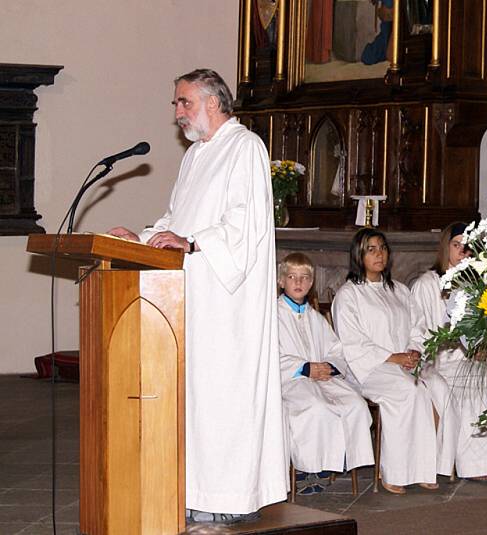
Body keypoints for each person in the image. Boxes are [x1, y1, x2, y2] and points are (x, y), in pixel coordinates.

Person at [108, 69, 287, 522]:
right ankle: (194, 491)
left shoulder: (245, 147)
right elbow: (176, 218)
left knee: (222, 396)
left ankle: (227, 499)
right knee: (194, 399)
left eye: (183, 102)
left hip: (226, 305)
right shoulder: (195, 157)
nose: (177, 112)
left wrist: (193, 244)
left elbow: (245, 224)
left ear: (212, 102)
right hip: (192, 296)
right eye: (176, 103)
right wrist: (143, 237)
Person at [331, 228, 455, 494]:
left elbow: (418, 328)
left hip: (406, 362)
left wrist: (414, 352)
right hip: (368, 368)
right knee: (409, 391)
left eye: (383, 248)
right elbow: (353, 342)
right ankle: (395, 472)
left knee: (439, 389)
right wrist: (393, 358)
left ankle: (426, 466)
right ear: (359, 255)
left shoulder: (399, 290)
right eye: (371, 249)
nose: (379, 254)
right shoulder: (349, 295)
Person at [276, 253, 374, 493]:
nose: (298, 282)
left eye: (304, 278)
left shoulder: (315, 317)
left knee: (355, 404)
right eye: (292, 277)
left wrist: (329, 366)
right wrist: (304, 367)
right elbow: (268, 356)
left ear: (311, 283)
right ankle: (307, 469)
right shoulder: (272, 315)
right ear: (281, 281)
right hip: (291, 381)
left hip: (322, 378)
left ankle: (335, 461)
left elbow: (335, 349)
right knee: (315, 407)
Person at [411, 223, 487, 481]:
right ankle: (473, 466)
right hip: (439, 360)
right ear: (445, 247)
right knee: (470, 392)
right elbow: (419, 328)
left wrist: (482, 348)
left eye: (467, 247)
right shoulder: (428, 284)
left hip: (470, 358)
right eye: (456, 245)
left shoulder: (476, 285)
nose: (462, 252)